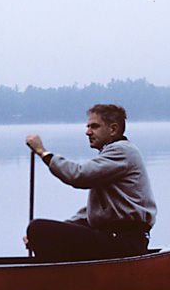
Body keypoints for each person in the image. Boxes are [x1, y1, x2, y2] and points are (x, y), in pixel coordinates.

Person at [24, 104, 156, 262]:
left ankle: (55, 280)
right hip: (116, 238)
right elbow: (93, 213)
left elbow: (78, 175)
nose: (88, 132)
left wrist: (43, 153)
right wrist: (64, 227)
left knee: (38, 228)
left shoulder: (122, 151)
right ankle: (60, 276)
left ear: (113, 129)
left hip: (124, 241)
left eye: (94, 127)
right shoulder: (112, 155)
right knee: (43, 232)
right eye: (88, 127)